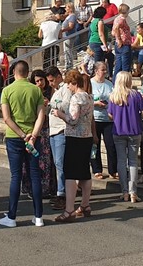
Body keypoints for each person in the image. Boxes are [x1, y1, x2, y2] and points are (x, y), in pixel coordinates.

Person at [0, 60, 47, 227]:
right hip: (34, 137)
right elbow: (41, 115)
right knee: (35, 175)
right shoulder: (36, 90)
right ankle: (39, 216)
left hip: (14, 137)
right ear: (28, 73)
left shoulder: (7, 90)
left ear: (14, 73)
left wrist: (22, 135)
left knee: (15, 176)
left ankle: (12, 216)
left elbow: (6, 118)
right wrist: (33, 135)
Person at [50, 69, 94, 222]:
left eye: (69, 84)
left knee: (70, 174)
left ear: (74, 83)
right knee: (84, 172)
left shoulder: (76, 98)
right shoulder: (89, 97)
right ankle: (85, 205)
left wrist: (60, 114)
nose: (68, 87)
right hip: (87, 136)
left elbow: (73, 120)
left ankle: (69, 210)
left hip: (75, 138)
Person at [107, 71, 143, 203]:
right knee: (133, 162)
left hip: (118, 131)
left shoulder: (113, 96)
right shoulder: (136, 95)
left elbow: (110, 115)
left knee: (121, 161)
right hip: (135, 131)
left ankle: (124, 192)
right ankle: (133, 192)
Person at [21, 70, 55, 200]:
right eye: (36, 81)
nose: (39, 83)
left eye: (41, 80)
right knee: (32, 160)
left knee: (46, 160)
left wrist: (48, 104)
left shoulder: (50, 92)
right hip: (33, 129)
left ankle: (47, 188)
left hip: (46, 129)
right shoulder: (32, 93)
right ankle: (30, 187)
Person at [47, 67, 71, 210]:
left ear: (58, 77)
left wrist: (52, 104)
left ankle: (63, 194)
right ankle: (60, 192)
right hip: (54, 130)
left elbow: (66, 106)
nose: (50, 83)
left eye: (51, 80)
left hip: (61, 129)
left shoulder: (65, 89)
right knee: (57, 163)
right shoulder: (56, 91)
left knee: (60, 163)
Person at [89, 60, 117, 180]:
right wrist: (96, 103)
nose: (105, 72)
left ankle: (113, 170)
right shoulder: (90, 83)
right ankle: (96, 169)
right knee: (95, 145)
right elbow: (85, 99)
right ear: (96, 71)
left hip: (108, 119)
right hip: (94, 118)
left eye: (106, 70)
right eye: (102, 70)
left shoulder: (109, 84)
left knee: (111, 145)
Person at [111, 4, 133, 79]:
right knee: (125, 66)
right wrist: (119, 40)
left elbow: (113, 31)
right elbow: (116, 29)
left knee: (118, 66)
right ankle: (124, 83)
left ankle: (115, 83)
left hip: (119, 44)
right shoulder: (122, 19)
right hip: (124, 44)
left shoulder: (116, 18)